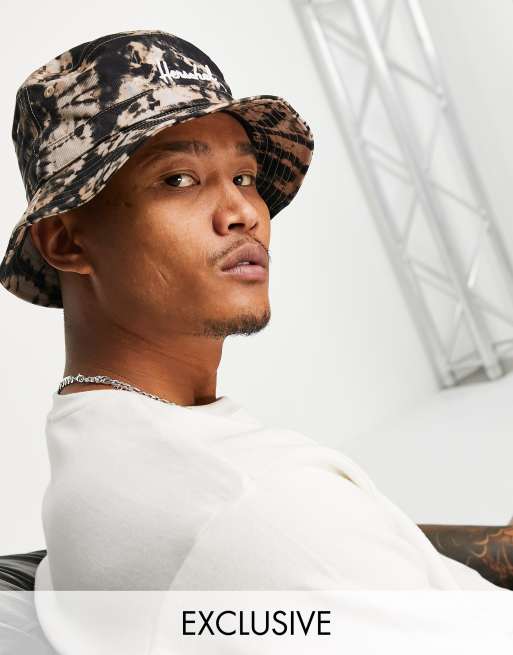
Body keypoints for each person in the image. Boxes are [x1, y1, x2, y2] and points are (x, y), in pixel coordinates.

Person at [1, 28, 510, 655]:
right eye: (178, 180)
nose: (244, 212)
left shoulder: (105, 448)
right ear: (67, 241)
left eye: (244, 175)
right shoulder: (239, 502)